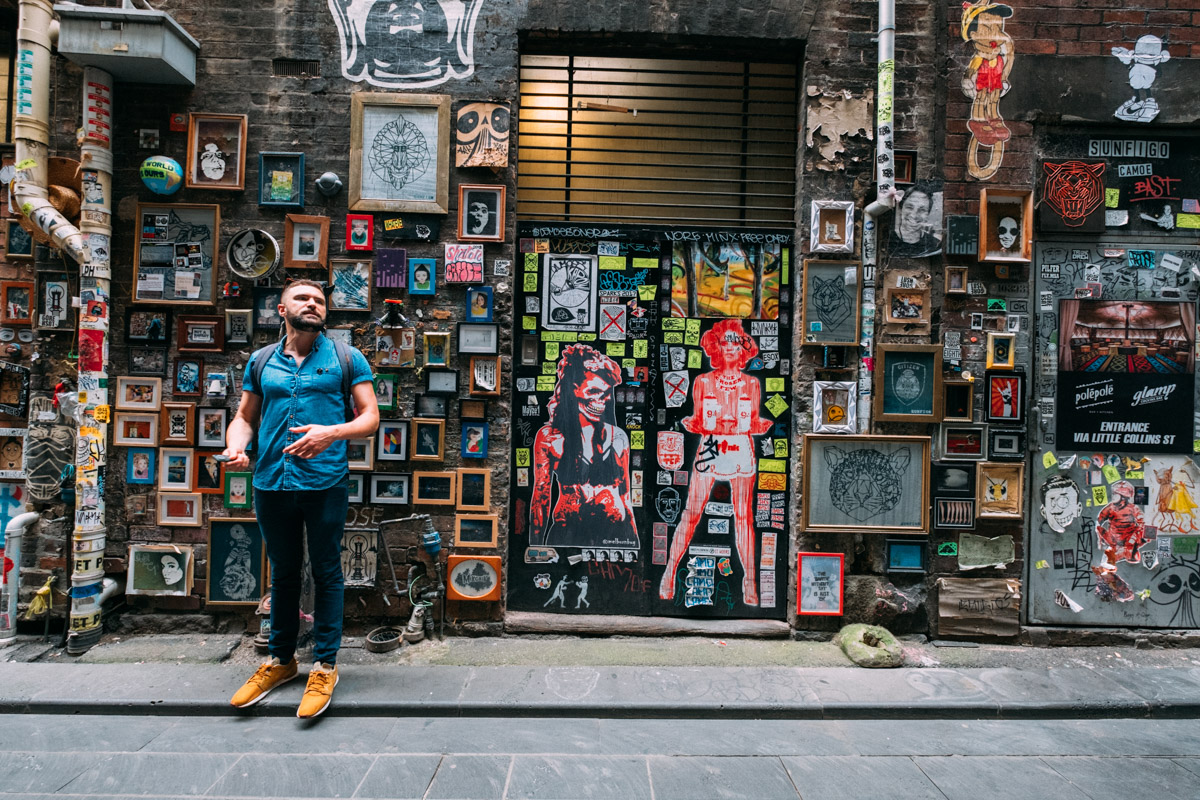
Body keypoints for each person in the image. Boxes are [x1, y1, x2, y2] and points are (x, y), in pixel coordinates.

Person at [225, 279, 379, 718]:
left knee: (329, 571)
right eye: (303, 299)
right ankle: (282, 660)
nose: (312, 304)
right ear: (281, 310)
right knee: (284, 573)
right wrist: (237, 446)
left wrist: (331, 432)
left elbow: (370, 417)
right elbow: (244, 418)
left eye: (319, 300)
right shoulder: (260, 361)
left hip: (325, 481)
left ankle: (325, 664)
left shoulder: (347, 358)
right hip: (271, 481)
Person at [658, 319, 772, 606]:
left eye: (736, 342)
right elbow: (698, 421)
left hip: (741, 448)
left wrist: (755, 426)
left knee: (744, 518)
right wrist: (698, 424)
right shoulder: (703, 381)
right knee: (691, 512)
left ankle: (750, 584)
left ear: (744, 347)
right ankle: (669, 574)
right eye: (725, 342)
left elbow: (755, 422)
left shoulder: (752, 384)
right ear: (717, 347)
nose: (731, 347)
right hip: (710, 447)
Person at [528, 344, 639, 557]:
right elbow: (540, 498)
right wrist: (535, 548)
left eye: (606, 394)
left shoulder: (618, 438)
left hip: (613, 534)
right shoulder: (550, 438)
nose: (601, 401)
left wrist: (634, 546)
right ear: (573, 390)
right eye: (594, 392)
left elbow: (625, 496)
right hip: (567, 535)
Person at [890, 183, 943, 258]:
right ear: (901, 209)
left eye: (922, 210)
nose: (914, 215)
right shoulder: (887, 240)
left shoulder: (934, 245)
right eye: (909, 207)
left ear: (928, 214)